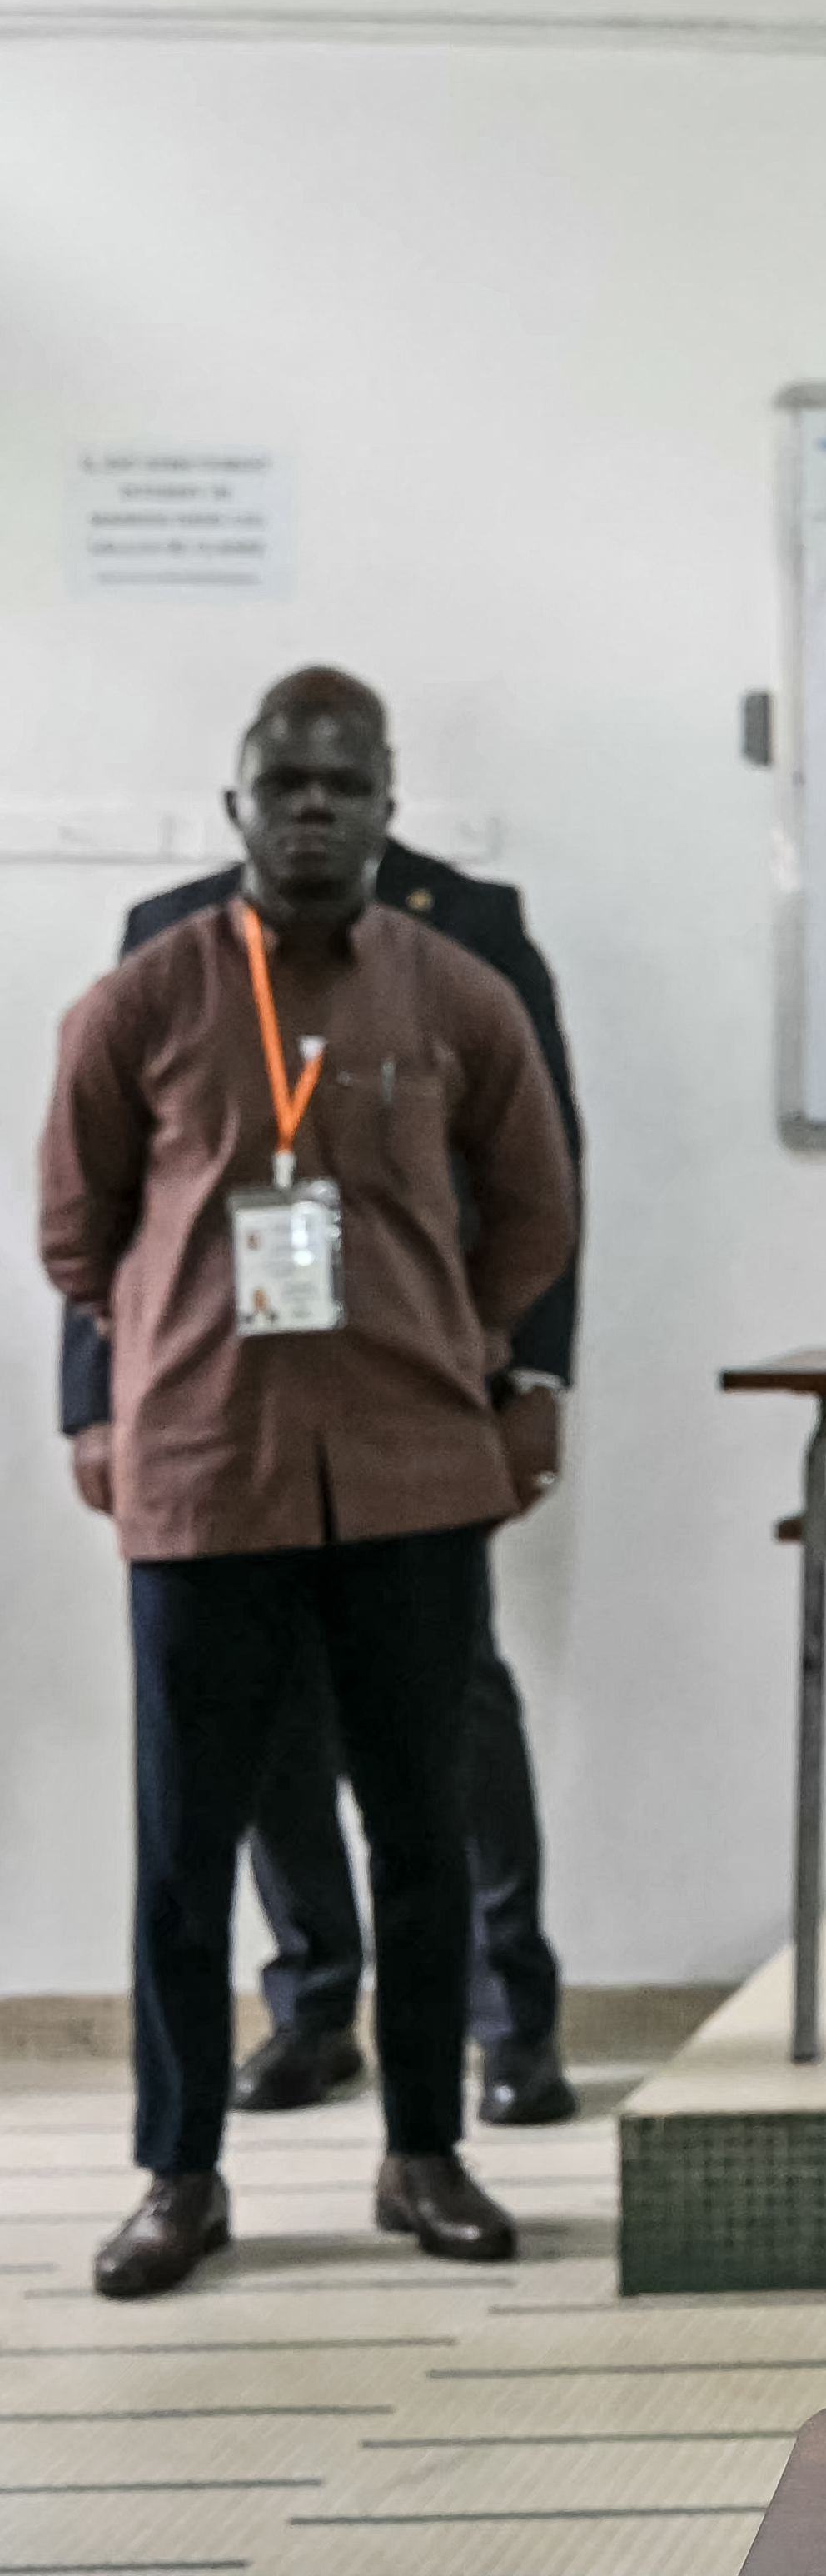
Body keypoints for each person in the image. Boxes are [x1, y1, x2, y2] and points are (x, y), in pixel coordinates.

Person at [37, 668, 574, 2299]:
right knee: (186, 1853)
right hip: (209, 1478)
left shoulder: (459, 989)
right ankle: (180, 2177)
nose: (316, 808)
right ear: (240, 810)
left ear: (390, 806)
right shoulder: (144, 994)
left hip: (412, 1474)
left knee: (417, 1830)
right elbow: (76, 1224)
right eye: (287, 785)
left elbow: (536, 1205)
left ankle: (425, 2153)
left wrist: (457, 1339)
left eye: (345, 783)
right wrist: (155, 1359)